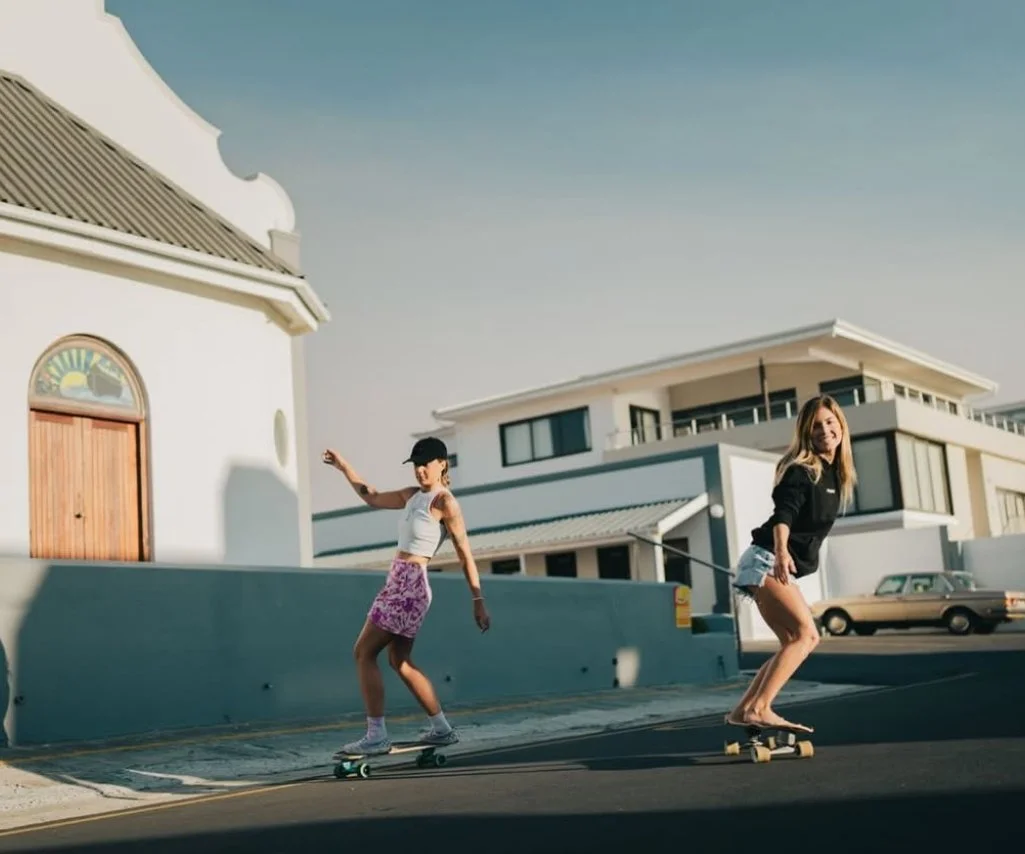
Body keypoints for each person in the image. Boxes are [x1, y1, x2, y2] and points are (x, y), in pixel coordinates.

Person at [322, 436, 490, 756]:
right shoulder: (411, 496)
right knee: (399, 661)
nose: (419, 470)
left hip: (410, 585)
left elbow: (465, 553)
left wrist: (477, 600)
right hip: (397, 581)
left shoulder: (445, 502)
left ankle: (376, 735)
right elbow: (370, 496)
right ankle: (441, 729)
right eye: (415, 465)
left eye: (425, 463)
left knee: (363, 652)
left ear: (442, 463)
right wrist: (344, 467)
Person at [725, 394, 857, 733]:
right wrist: (782, 552)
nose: (825, 430)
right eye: (816, 426)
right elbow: (784, 512)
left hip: (765, 562)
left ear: (841, 426)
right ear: (806, 432)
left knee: (793, 641)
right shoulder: (803, 470)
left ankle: (744, 710)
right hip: (767, 559)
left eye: (830, 422)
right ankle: (760, 708)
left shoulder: (833, 475)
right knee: (806, 637)